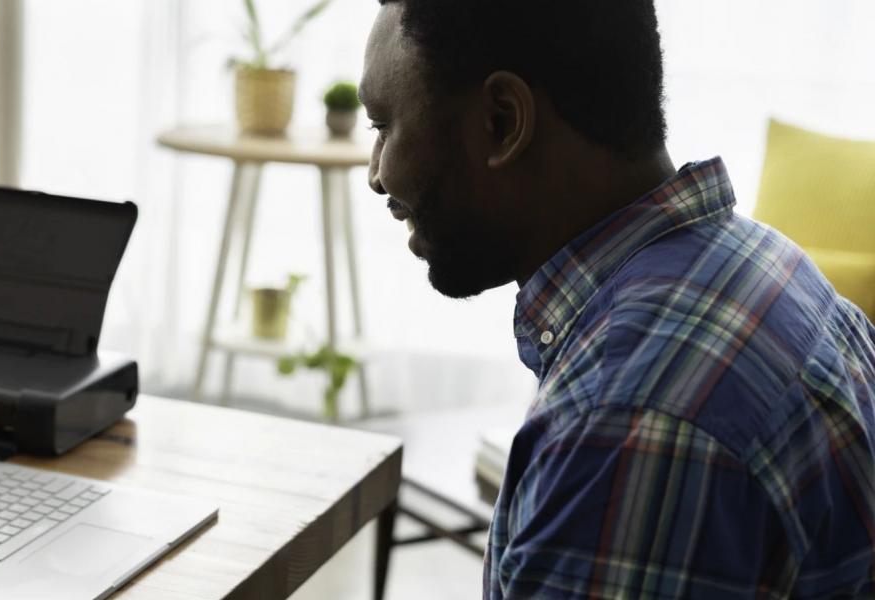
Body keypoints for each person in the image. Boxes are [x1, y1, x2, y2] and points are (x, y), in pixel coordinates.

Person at [359, 1, 875, 597]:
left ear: (502, 121)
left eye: (384, 126)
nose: (377, 173)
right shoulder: (767, 264)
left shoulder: (625, 426)